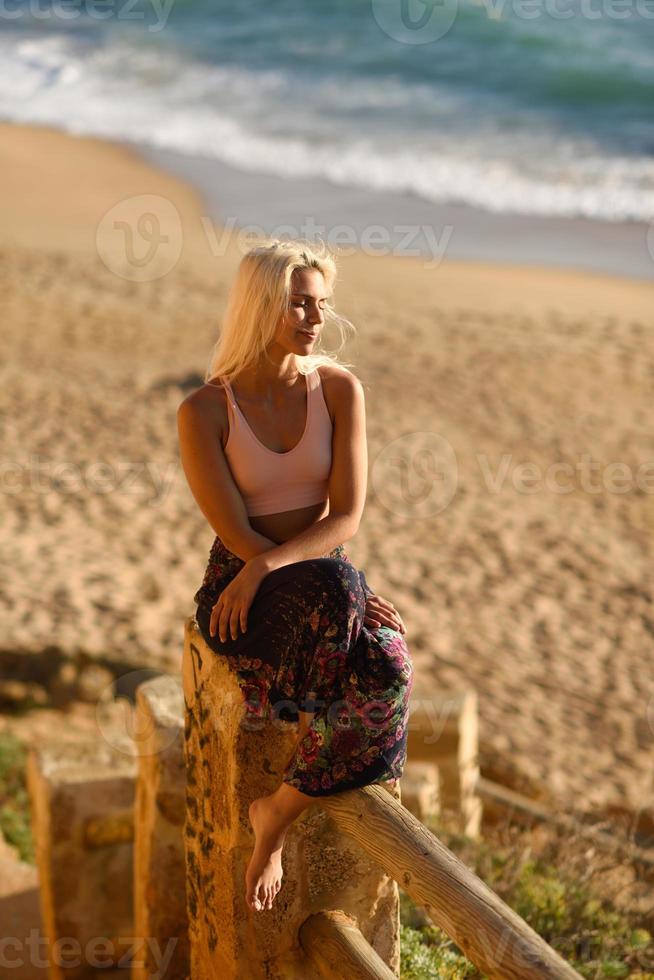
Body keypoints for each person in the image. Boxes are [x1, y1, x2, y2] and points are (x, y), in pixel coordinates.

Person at [177, 238, 414, 915]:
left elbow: (346, 516)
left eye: (321, 305)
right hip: (241, 594)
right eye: (299, 304)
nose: (315, 319)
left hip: (314, 572)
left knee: (391, 665)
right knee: (346, 619)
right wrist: (285, 578)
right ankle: (299, 777)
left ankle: (275, 813)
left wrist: (331, 588)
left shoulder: (339, 390)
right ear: (260, 307)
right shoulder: (203, 411)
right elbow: (237, 535)